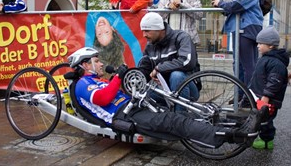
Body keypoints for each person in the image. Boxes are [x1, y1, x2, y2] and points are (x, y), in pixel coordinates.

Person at [69, 46, 266, 149]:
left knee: (186, 114)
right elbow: (103, 99)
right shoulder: (83, 84)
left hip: (135, 107)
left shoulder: (99, 80)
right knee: (175, 121)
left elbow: (113, 91)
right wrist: (118, 77)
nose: (101, 63)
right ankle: (237, 137)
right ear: (85, 65)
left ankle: (241, 123)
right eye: (96, 61)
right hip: (125, 117)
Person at [211, 0, 264, 89]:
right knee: (240, 65)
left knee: (247, 66)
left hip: (245, 29)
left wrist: (221, 3)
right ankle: (241, 95)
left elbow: (235, 6)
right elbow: (231, 9)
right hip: (243, 28)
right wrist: (222, 5)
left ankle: (249, 97)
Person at [137, 12, 200, 111]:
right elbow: (144, 70)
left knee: (177, 75)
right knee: (142, 94)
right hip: (164, 91)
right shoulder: (149, 46)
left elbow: (187, 62)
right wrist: (131, 75)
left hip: (188, 88)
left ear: (159, 29)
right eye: (143, 31)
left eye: (147, 31)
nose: (144, 35)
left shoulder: (181, 37)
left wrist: (159, 68)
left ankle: (180, 118)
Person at [247, 26, 289, 150]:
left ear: (270, 45)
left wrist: (266, 96)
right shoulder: (267, 58)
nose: (258, 46)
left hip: (268, 99)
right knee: (263, 118)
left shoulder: (274, 62)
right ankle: (268, 134)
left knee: (265, 120)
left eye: (260, 43)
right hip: (261, 96)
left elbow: (274, 82)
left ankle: (266, 141)